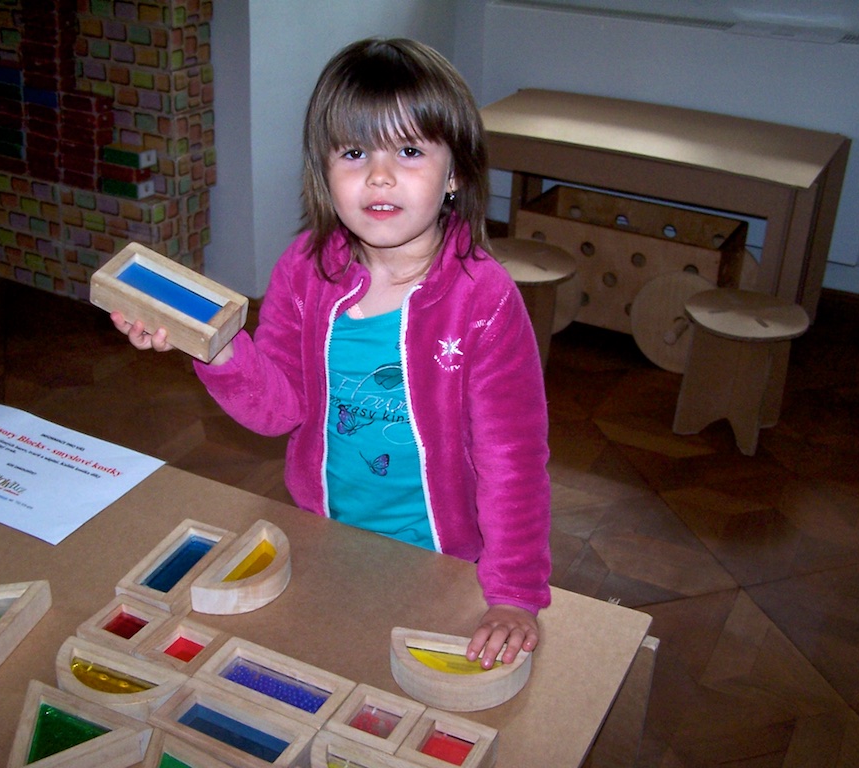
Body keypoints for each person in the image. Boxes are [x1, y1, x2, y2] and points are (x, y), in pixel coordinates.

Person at [112, 37, 551, 669]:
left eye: (409, 151)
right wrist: (213, 349)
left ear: (455, 173)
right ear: (323, 171)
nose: (379, 175)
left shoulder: (484, 300)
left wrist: (513, 594)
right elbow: (279, 411)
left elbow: (513, 460)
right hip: (323, 531)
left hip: (444, 554)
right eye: (353, 152)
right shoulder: (305, 269)